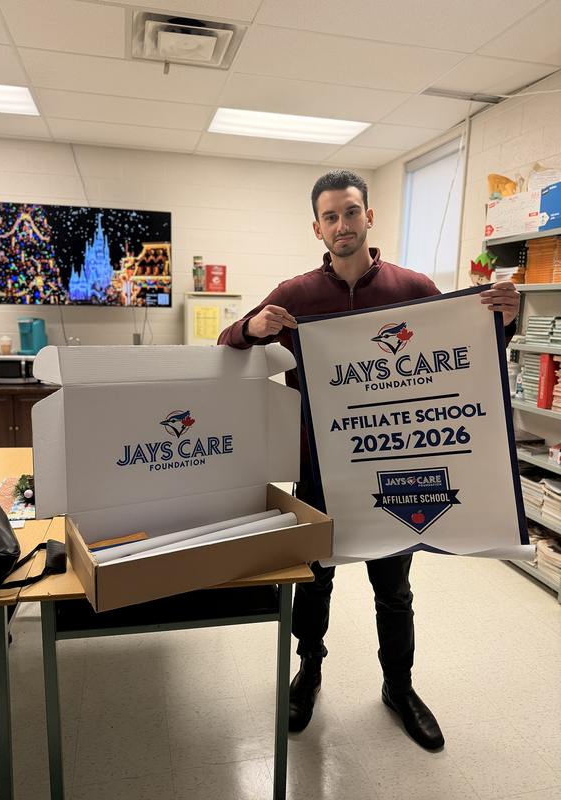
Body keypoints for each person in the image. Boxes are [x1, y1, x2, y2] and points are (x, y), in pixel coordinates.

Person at [218, 170, 520, 750]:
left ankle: (398, 686)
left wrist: (502, 322)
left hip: (396, 465)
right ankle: (308, 673)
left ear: (369, 217)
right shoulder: (297, 294)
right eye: (330, 217)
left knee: (395, 584)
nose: (342, 225)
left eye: (351, 212)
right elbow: (229, 343)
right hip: (321, 469)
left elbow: (465, 350)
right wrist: (253, 327)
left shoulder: (412, 286)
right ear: (316, 227)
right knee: (314, 580)